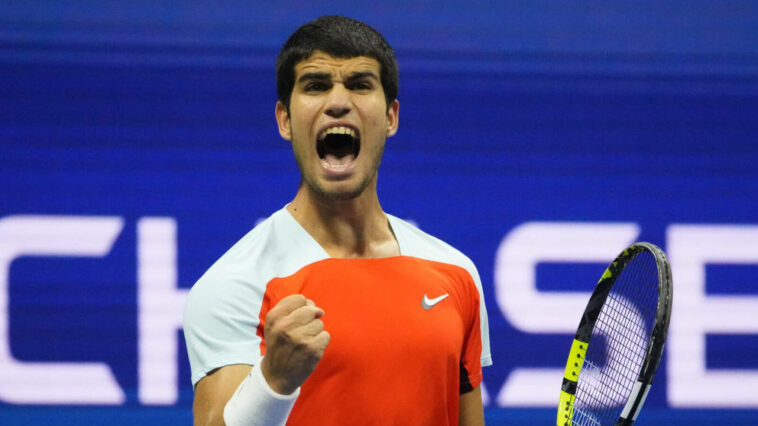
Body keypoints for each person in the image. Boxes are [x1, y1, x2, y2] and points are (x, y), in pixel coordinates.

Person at [183, 15, 492, 426]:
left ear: (390, 117)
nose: (338, 101)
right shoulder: (235, 284)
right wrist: (273, 381)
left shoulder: (456, 274)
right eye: (315, 85)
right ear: (285, 120)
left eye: (361, 84)